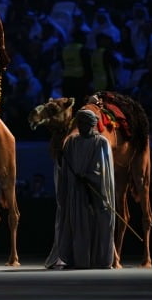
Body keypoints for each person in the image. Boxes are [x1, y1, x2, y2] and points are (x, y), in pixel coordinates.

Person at [45, 109, 116, 269]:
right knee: (78, 225)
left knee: (99, 224)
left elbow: (104, 169)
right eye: (80, 123)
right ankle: (79, 260)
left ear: (92, 124)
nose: (82, 126)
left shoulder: (101, 142)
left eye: (85, 123)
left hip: (95, 191)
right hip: (77, 193)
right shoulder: (72, 142)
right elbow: (66, 168)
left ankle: (100, 260)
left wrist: (90, 176)